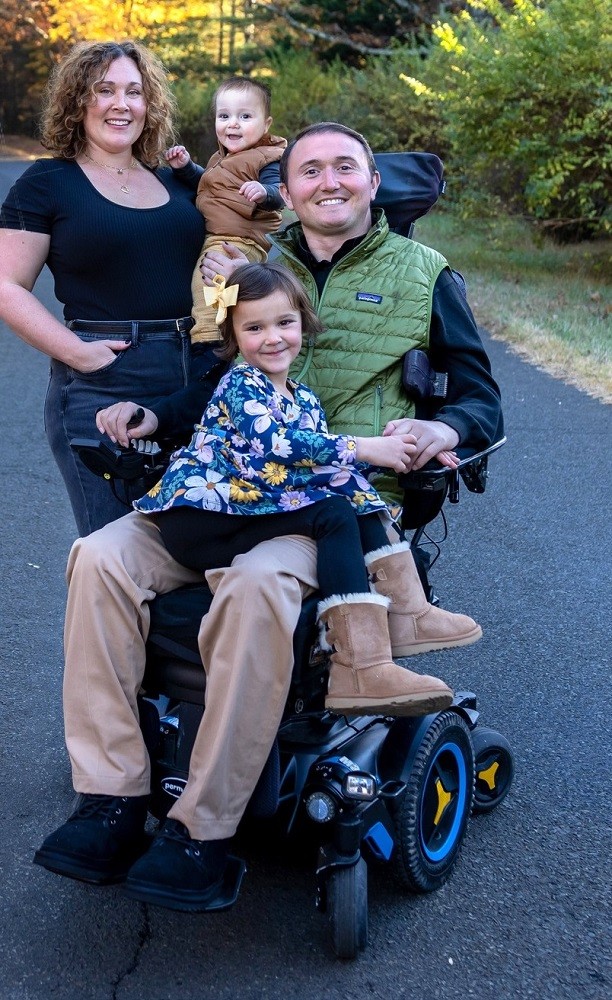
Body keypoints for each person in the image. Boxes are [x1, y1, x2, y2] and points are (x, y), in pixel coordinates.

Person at [33, 122, 502, 913]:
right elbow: (219, 384)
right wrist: (154, 417)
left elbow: (481, 397)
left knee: (255, 588)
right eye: (308, 170)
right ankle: (111, 795)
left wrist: (442, 429)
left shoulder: (425, 273)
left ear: (371, 181)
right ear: (285, 187)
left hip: (323, 506)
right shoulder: (258, 267)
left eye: (343, 168)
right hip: (225, 490)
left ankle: (202, 830)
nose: (328, 182)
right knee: (102, 555)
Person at [134, 259, 468, 716]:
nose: (272, 338)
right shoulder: (241, 384)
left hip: (247, 507)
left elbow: (319, 466)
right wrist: (362, 447)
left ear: (303, 323)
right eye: (254, 328)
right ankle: (360, 662)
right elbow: (278, 444)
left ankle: (406, 614)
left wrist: (407, 449)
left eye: (284, 323)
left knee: (344, 491)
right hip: (201, 520)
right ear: (234, 337)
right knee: (333, 511)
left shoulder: (304, 397)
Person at [0, 40, 220, 536]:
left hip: (198, 377)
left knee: (196, 553)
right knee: (116, 556)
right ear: (79, 102)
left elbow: (226, 245)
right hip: (106, 381)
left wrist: (225, 264)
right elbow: (7, 285)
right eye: (105, 90)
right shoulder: (46, 183)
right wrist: (79, 354)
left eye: (134, 92)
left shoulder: (178, 180)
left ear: (150, 104)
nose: (121, 104)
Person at [165, 76, 286, 343]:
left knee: (208, 282)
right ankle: (226, 332)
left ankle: (209, 338)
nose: (233, 123)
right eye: (224, 116)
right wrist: (186, 167)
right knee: (216, 288)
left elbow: (280, 192)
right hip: (216, 237)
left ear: (266, 124)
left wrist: (265, 192)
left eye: (245, 116)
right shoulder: (220, 159)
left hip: (237, 241)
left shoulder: (267, 157)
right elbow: (208, 184)